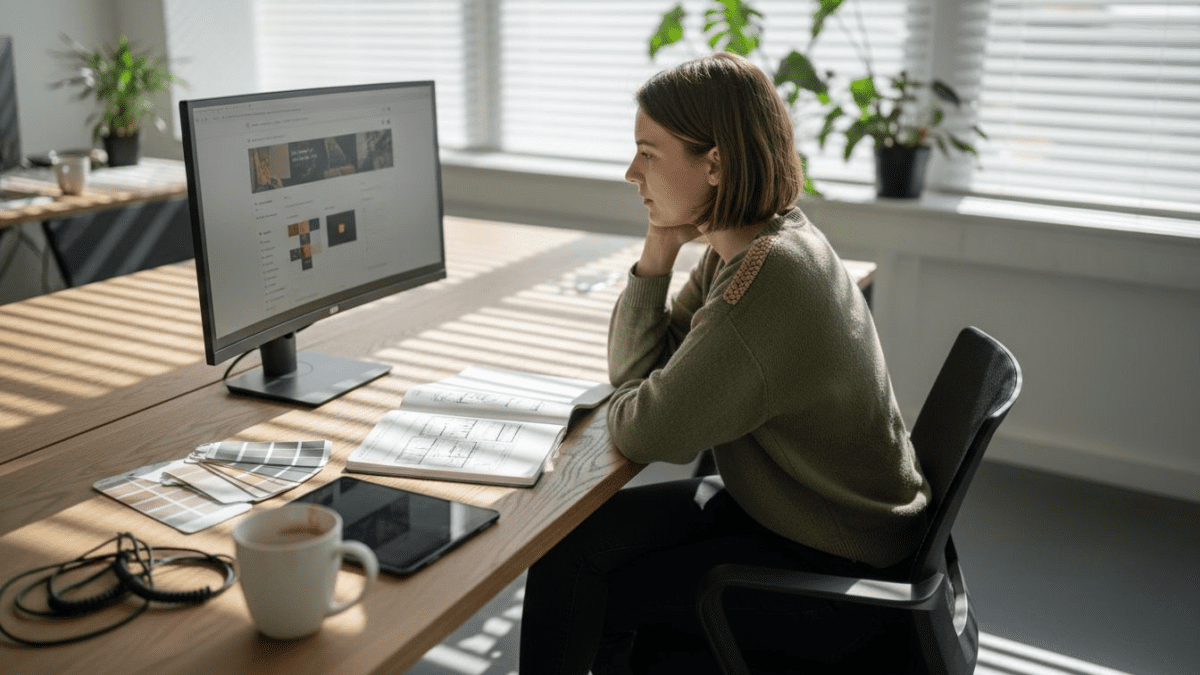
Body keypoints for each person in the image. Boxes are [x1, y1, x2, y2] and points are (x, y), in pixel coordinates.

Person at [519, 52, 931, 675]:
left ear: (715, 164)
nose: (631, 172)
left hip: (831, 555)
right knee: (564, 545)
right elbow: (637, 368)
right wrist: (659, 245)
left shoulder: (765, 281)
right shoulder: (753, 240)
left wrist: (652, 390)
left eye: (648, 153)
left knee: (590, 585)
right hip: (798, 507)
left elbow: (646, 429)